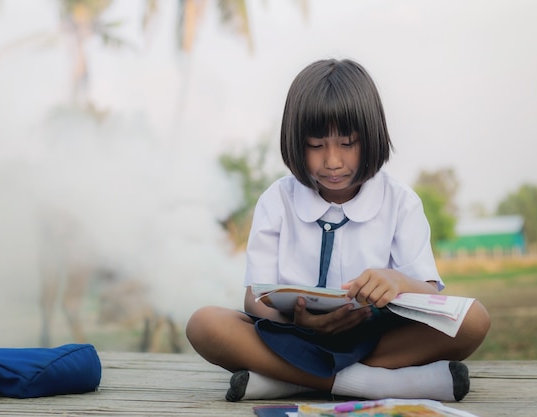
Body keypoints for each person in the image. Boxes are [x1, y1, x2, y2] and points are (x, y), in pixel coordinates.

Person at [185, 58, 490, 403]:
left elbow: (429, 293)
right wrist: (300, 323)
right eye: (316, 146)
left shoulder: (400, 202)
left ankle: (287, 381)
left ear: (371, 137)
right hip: (294, 337)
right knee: (204, 324)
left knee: (473, 319)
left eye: (348, 143)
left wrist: (399, 281)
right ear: (295, 143)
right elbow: (255, 299)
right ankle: (375, 384)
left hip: (375, 341)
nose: (332, 161)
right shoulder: (277, 201)